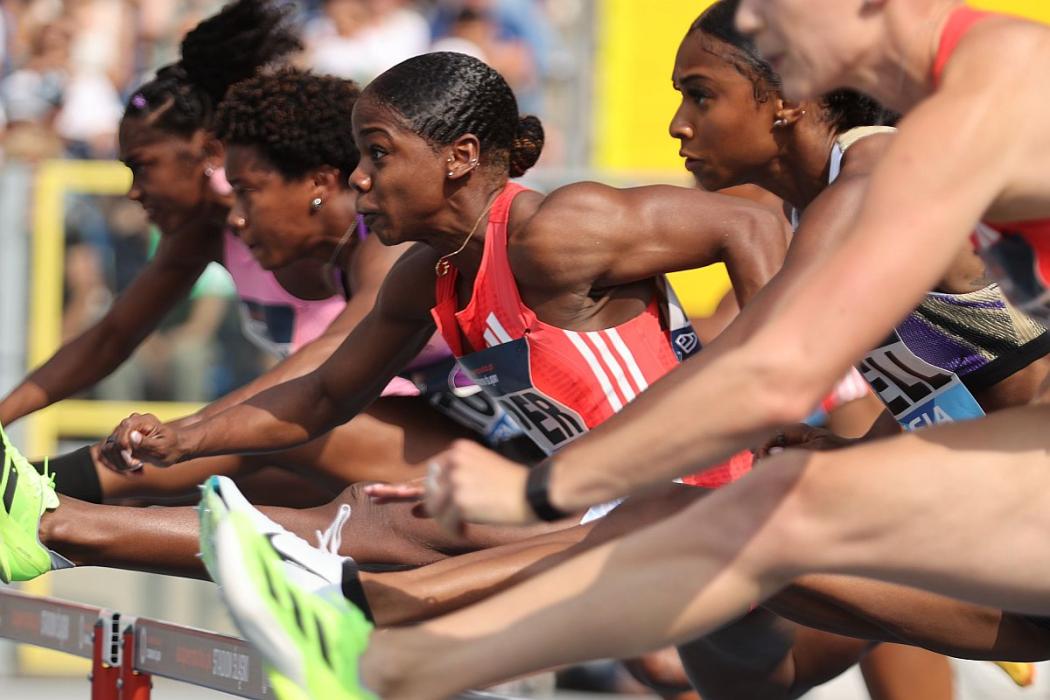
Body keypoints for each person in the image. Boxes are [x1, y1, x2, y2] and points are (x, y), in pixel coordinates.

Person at [195, 2, 1050, 698]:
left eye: (700, 93)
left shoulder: (918, 146)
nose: (677, 122)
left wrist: (541, 488)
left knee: (705, 516)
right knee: (734, 617)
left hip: (1021, 517)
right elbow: (961, 378)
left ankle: (370, 621)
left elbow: (772, 369)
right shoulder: (838, 192)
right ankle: (373, 641)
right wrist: (866, 450)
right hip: (1001, 521)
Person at [1, 0, 484, 515]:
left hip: (486, 452)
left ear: (209, 152)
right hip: (390, 435)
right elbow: (110, 337)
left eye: (143, 167)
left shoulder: (386, 238)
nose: (134, 191)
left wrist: (189, 434)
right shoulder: (215, 231)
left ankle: (25, 500)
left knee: (269, 437)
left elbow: (324, 370)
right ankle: (35, 513)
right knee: (215, 485)